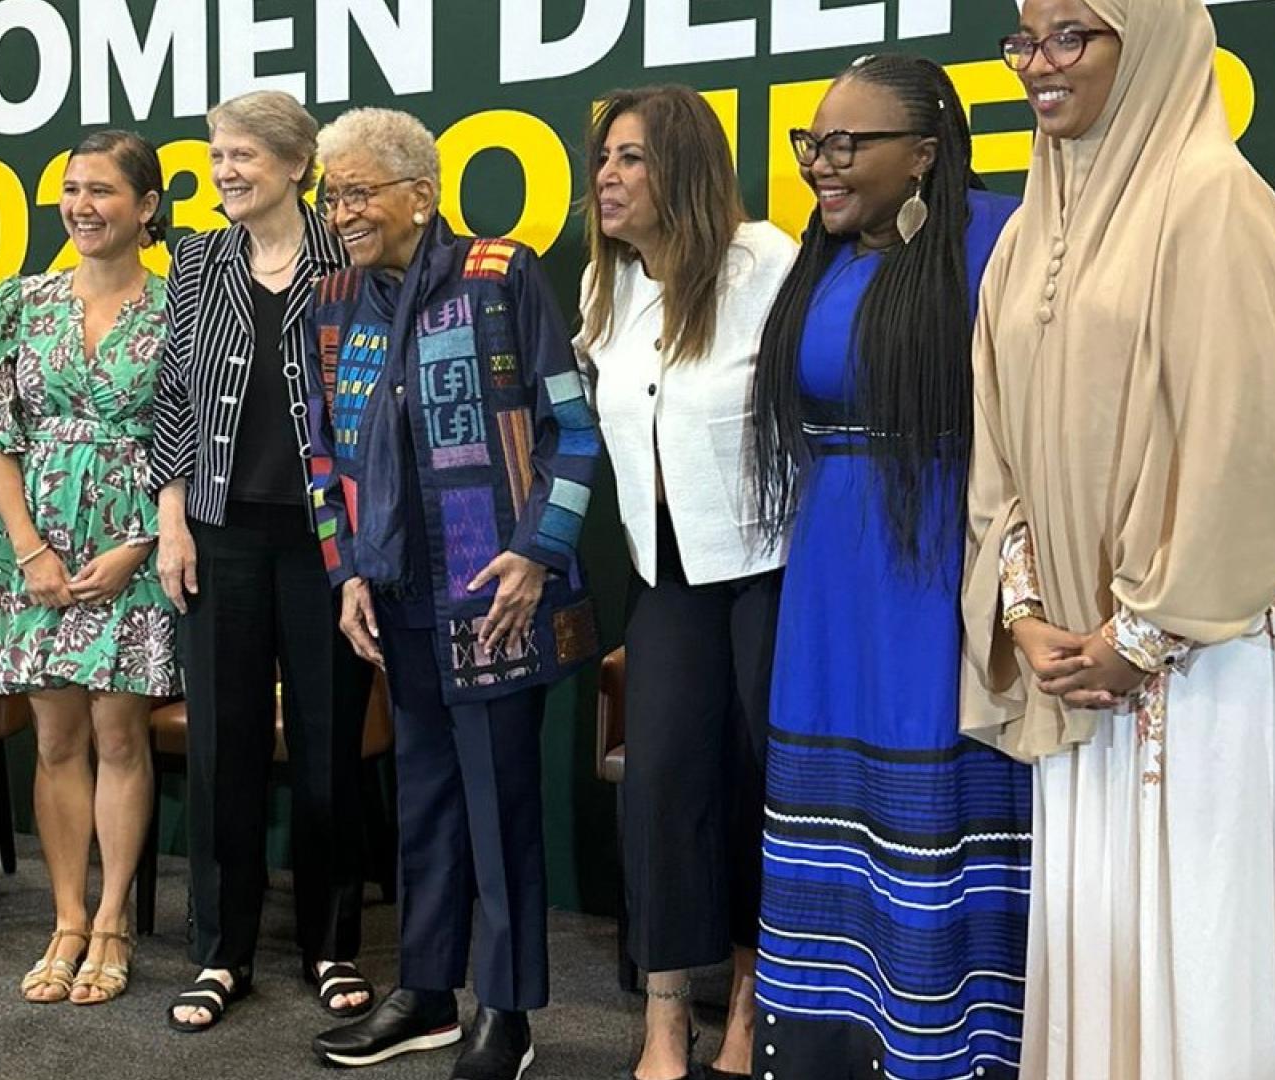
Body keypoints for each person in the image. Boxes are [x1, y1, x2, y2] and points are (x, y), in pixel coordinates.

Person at [962, 0, 1275, 1075]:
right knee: (1121, 939)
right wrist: (1026, 617)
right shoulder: (1030, 231)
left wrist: (1146, 633)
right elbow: (1002, 453)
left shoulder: (1215, 198)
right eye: (1025, 38)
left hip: (1225, 648)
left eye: (1072, 34)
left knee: (1220, 931)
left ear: (1153, 39)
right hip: (1084, 656)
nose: (1038, 64)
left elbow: (1253, 442)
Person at [746, 55, 1032, 1077]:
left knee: (937, 811)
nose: (823, 164)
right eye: (813, 143)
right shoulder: (823, 260)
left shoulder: (996, 238)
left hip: (941, 575)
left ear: (926, 152)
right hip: (831, 579)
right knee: (838, 814)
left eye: (847, 144)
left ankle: (954, 1053)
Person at [304, 106, 601, 1080]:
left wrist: (536, 550)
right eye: (330, 193)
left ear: (420, 196)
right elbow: (321, 453)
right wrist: (344, 571)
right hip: (393, 597)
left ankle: (506, 1011)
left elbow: (573, 426)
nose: (339, 210)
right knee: (424, 799)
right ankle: (427, 992)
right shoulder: (333, 299)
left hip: (492, 594)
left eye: (356, 191)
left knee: (500, 805)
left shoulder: (499, 274)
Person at [575, 85, 794, 1080]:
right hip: (662, 574)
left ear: (686, 169)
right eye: (604, 159)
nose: (608, 177)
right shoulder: (607, 286)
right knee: (659, 790)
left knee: (759, 786)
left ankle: (751, 1010)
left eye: (631, 158)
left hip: (765, 570)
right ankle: (666, 1022)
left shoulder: (768, 261)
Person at [147, 89, 377, 1033]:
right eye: (217, 156)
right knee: (223, 753)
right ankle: (220, 952)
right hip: (218, 533)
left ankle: (332, 945)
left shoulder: (348, 256)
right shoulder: (197, 262)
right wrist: (171, 517)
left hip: (328, 542)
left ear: (295, 164)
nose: (226, 171)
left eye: (242, 155)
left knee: (329, 751)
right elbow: (171, 394)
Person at [0, 130, 178, 1007]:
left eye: (104, 190)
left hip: (137, 542)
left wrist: (141, 546)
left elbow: (189, 438)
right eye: (71, 189)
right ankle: (67, 919)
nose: (83, 205)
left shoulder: (177, 310)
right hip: (32, 546)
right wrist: (30, 548)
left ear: (146, 206)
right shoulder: (19, 303)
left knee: (120, 738)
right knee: (55, 741)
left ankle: (115, 922)